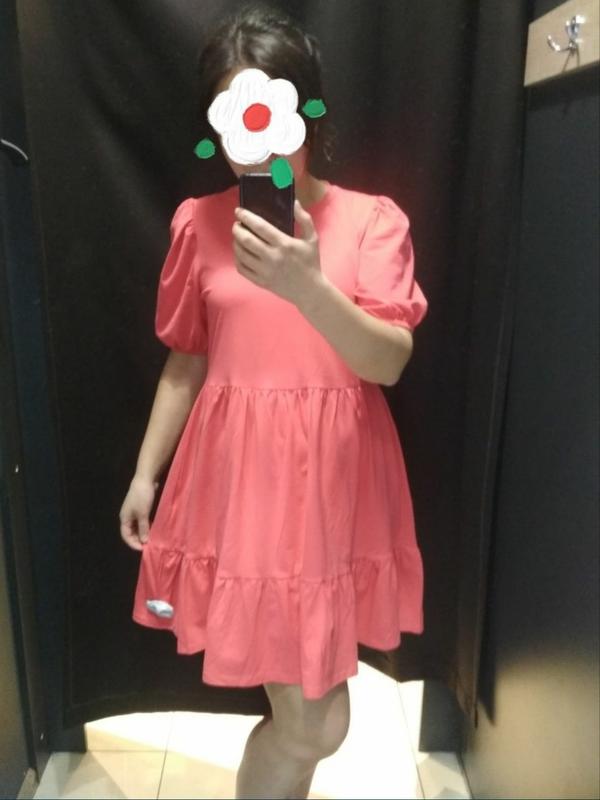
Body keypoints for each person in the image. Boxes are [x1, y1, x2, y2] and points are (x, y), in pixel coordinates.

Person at [119, 3, 429, 798]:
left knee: (318, 718)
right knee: (314, 724)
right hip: (243, 491)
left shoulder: (371, 222)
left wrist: (308, 287)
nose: (256, 137)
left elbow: (388, 361)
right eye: (235, 115)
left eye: (271, 108)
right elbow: (186, 361)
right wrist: (146, 473)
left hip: (337, 490)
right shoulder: (198, 224)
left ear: (307, 110)